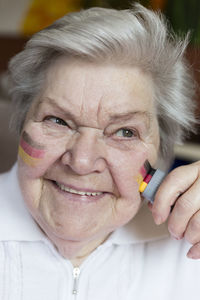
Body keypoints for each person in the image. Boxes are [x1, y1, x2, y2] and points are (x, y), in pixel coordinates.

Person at [1, 3, 200, 299]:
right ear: (21, 124)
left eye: (124, 132)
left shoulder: (189, 248)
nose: (81, 162)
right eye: (57, 120)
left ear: (162, 149)